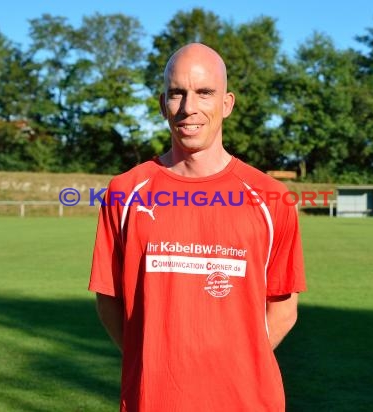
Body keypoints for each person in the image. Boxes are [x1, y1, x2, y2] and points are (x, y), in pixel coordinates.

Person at [89, 43, 306, 412]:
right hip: (152, 399)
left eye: (205, 92)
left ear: (227, 103)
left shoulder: (271, 198)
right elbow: (109, 302)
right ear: (162, 104)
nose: (189, 108)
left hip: (247, 402)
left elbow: (283, 309)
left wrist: (232, 366)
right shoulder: (124, 193)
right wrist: (157, 363)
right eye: (177, 93)